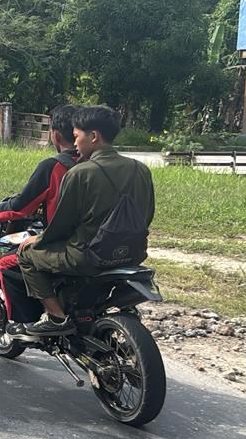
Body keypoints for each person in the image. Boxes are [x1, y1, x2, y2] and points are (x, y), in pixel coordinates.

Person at [17, 105, 155, 338]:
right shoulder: (140, 169)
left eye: (77, 136)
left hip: (88, 256)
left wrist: (37, 240)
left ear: (93, 137)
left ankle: (56, 318)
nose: (76, 142)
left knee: (26, 255)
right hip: (133, 253)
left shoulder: (81, 173)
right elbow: (147, 215)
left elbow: (62, 225)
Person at [0, 104, 80, 326]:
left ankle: (34, 322)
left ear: (56, 134)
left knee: (10, 261)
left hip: (67, 243)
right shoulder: (100, 164)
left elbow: (22, 206)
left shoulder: (54, 166)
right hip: (105, 242)